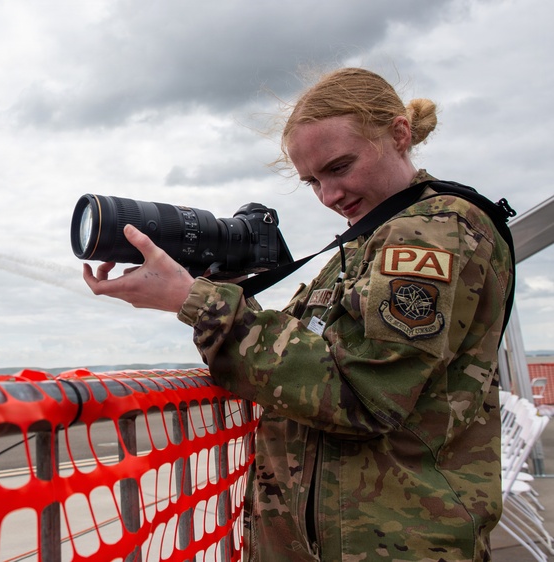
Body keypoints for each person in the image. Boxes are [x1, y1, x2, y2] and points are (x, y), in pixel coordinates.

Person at [83, 67, 514, 561]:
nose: (330, 196)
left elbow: (364, 393)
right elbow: (305, 356)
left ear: (399, 134)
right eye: (313, 181)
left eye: (340, 167)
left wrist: (195, 301)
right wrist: (217, 289)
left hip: (389, 544)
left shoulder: (430, 232)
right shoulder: (375, 236)